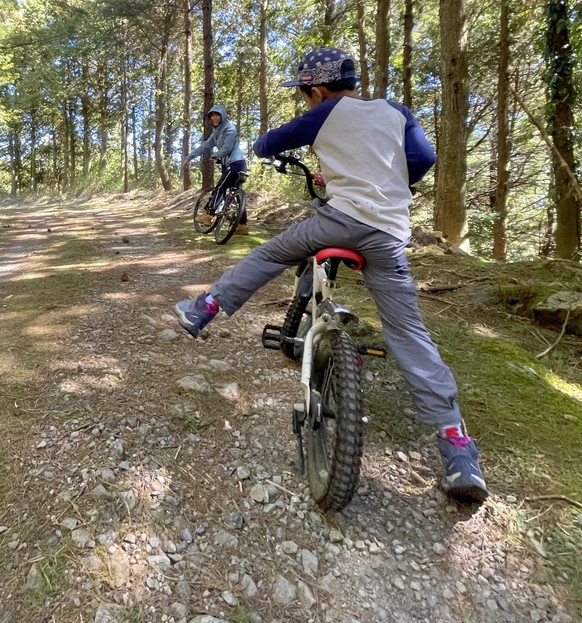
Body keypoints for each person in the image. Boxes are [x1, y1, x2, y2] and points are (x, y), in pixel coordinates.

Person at [175, 47, 487, 504]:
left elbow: (267, 144)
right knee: (408, 331)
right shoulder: (396, 111)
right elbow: (421, 160)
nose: (307, 104)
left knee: (271, 253)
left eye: (305, 97)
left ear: (316, 91)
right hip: (388, 236)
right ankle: (457, 445)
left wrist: (298, 154)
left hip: (338, 221)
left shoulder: (325, 112)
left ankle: (206, 306)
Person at [184, 104, 249, 234]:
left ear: (223, 116)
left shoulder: (230, 128)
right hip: (232, 164)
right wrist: (189, 158)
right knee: (237, 196)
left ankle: (209, 215)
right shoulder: (216, 133)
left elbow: (227, 147)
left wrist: (217, 155)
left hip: (236, 163)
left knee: (220, 187)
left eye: (217, 115)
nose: (214, 118)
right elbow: (204, 146)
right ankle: (242, 226)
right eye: (212, 115)